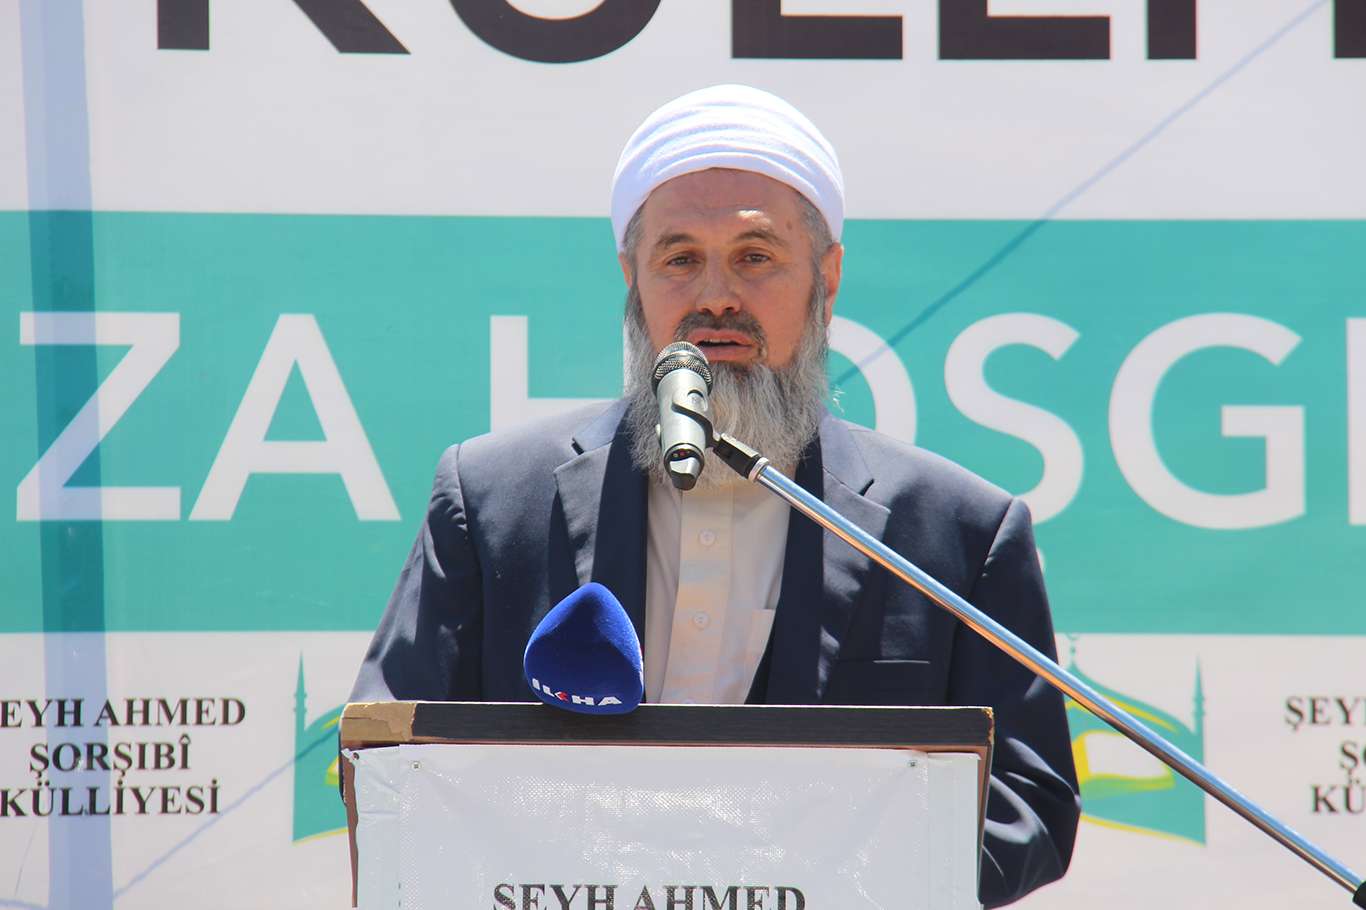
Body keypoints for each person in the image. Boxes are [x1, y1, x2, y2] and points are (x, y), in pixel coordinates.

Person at [349, 84, 1080, 907]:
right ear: (632, 278)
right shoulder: (490, 499)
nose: (716, 296)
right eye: (680, 258)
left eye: (755, 256)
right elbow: (383, 765)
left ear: (827, 277)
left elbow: (1030, 805)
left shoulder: (955, 531)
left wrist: (807, 879)